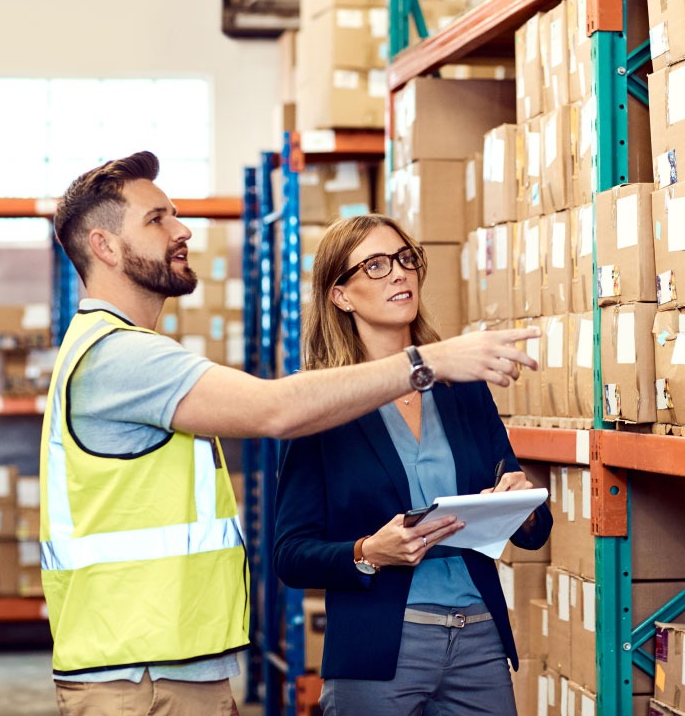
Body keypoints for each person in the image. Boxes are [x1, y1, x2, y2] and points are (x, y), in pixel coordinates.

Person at [39, 151, 541, 716]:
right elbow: (277, 411)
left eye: (405, 259)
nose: (182, 230)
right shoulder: (119, 357)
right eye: (157, 219)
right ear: (105, 246)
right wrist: (427, 362)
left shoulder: (135, 353)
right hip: (135, 671)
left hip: (168, 661)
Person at [273, 214, 553, 716]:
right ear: (340, 294)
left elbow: (534, 531)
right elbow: (290, 554)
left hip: (479, 640)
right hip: (381, 648)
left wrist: (521, 505)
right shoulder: (321, 405)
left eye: (406, 260)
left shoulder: (462, 386)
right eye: (376, 266)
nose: (399, 274)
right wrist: (368, 551)